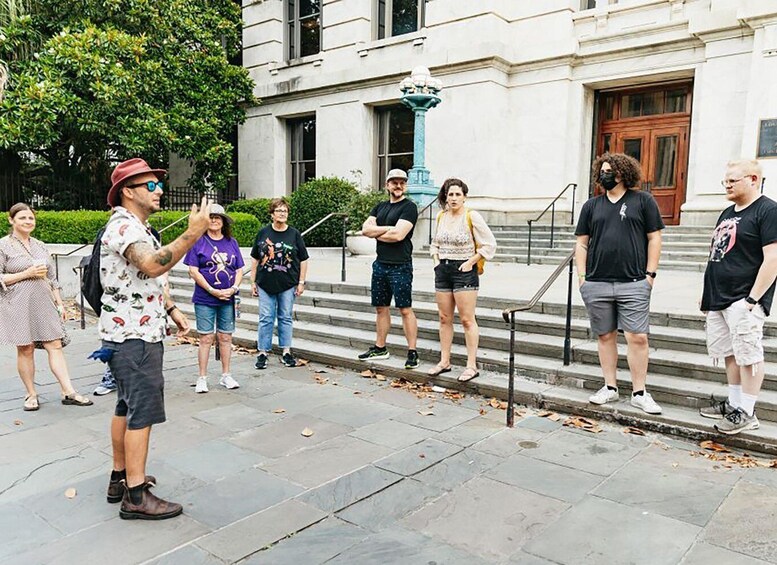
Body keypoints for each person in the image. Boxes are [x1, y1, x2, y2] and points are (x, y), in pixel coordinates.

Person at [100, 157, 211, 520]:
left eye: (158, 184)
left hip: (131, 330)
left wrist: (172, 311)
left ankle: (121, 477)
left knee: (125, 406)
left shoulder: (136, 227)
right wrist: (193, 233)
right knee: (141, 413)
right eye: (150, 185)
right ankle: (135, 496)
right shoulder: (124, 226)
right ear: (127, 192)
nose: (159, 189)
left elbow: (144, 281)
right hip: (134, 337)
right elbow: (152, 264)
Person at [575, 152, 665, 414]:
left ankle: (639, 392)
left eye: (609, 171)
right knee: (605, 335)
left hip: (634, 281)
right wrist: (582, 278)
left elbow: (654, 238)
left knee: (637, 336)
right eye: (601, 171)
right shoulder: (591, 206)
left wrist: (650, 275)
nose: (605, 175)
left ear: (623, 173)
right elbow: (581, 243)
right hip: (597, 282)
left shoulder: (643, 201)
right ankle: (610, 387)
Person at [699, 159, 777, 434]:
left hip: (744, 298)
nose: (727, 185)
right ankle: (734, 404)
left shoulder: (768, 211)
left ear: (753, 179)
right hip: (719, 297)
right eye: (726, 181)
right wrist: (706, 296)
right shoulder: (727, 212)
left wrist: (752, 300)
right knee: (729, 353)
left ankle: (748, 411)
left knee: (748, 355)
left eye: (733, 180)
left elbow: (773, 259)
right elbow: (717, 255)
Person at [0, 203, 93, 411]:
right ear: (11, 220)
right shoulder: (3, 245)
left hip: (44, 302)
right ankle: (31, 394)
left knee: (55, 345)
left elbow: (52, 278)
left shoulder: (40, 245)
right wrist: (27, 273)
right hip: (17, 304)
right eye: (22, 218)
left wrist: (60, 303)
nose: (27, 222)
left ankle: (68, 391)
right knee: (26, 348)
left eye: (30, 218)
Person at [428, 178, 496, 382]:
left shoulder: (471, 216)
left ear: (465, 197)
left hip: (464, 271)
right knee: (444, 318)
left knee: (467, 319)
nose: (454, 198)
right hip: (443, 270)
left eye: (458, 194)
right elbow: (435, 243)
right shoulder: (441, 216)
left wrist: (471, 262)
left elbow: (489, 244)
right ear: (445, 197)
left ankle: (471, 365)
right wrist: (436, 261)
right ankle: (444, 361)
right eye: (450, 194)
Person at [358, 169, 420, 368]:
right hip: (380, 264)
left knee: (405, 309)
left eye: (402, 182)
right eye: (394, 182)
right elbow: (365, 229)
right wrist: (387, 229)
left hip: (400, 265)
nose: (398, 186)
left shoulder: (409, 207)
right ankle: (380, 347)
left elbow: (398, 236)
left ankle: (412, 352)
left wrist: (378, 232)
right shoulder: (379, 207)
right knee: (380, 308)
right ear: (387, 185)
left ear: (406, 185)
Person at [184, 204, 244, 393]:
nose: (215, 220)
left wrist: (233, 288)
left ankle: (226, 375)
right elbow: (193, 271)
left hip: (228, 297)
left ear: (224, 221)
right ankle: (202, 377)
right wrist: (211, 289)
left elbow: (239, 268)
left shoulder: (231, 242)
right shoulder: (198, 242)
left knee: (226, 336)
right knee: (206, 337)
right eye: (211, 217)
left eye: (218, 217)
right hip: (204, 297)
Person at [250, 198, 309, 369]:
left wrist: (301, 282)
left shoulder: (294, 234)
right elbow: (255, 258)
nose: (282, 213)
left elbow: (304, 259)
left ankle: (286, 351)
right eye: (278, 210)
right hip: (265, 283)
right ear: (271, 214)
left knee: (285, 317)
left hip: (288, 284)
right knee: (266, 318)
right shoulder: (263, 233)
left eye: (285, 211)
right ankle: (262, 352)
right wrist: (253, 282)